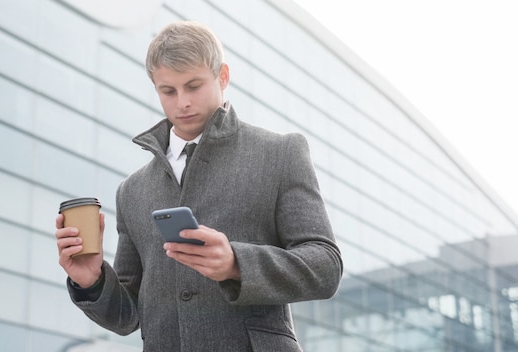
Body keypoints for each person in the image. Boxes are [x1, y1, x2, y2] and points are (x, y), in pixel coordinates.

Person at [55, 20, 342, 352]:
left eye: (193, 86)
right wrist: (92, 280)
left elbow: (325, 266)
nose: (182, 103)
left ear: (222, 76)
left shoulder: (279, 153)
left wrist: (236, 263)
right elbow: (128, 316)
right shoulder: (132, 191)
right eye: (168, 91)